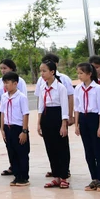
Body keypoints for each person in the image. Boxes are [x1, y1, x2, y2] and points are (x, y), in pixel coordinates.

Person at [37, 60, 70, 189]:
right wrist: (39, 123)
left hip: (58, 116)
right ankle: (55, 176)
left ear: (52, 72)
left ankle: (63, 177)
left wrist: (64, 124)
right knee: (50, 148)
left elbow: (64, 107)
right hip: (46, 116)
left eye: (44, 71)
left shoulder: (60, 87)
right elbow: (40, 107)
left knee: (61, 147)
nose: (42, 73)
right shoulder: (42, 87)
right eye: (41, 71)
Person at [74, 62, 100, 192]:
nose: (79, 76)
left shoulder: (97, 88)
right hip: (83, 118)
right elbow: (77, 108)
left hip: (94, 118)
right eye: (78, 73)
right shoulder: (78, 88)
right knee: (88, 151)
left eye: (81, 73)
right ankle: (94, 178)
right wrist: (76, 125)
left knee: (98, 150)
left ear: (89, 74)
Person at [0, 59, 27, 177]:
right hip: (5, 115)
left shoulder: (19, 82)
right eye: (1, 68)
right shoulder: (0, 82)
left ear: (11, 68)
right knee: (8, 142)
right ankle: (13, 165)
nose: (2, 70)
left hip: (16, 117)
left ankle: (21, 171)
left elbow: (22, 101)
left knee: (19, 145)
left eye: (5, 68)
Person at [0, 72, 30, 186]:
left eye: (8, 83)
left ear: (15, 83)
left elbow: (25, 114)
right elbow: (2, 113)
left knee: (21, 152)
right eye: (4, 83)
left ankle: (24, 177)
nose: (5, 85)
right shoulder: (4, 96)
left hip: (18, 128)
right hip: (8, 127)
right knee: (11, 152)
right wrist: (2, 129)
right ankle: (17, 175)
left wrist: (24, 131)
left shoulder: (21, 97)